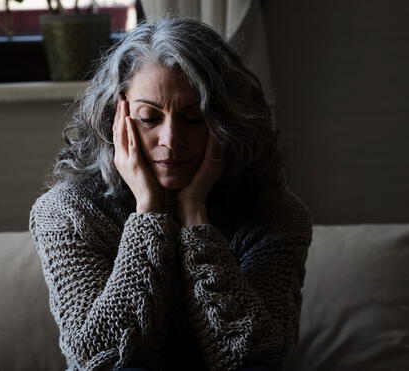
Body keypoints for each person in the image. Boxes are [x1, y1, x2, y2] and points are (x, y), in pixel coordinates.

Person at [29, 17, 312, 371]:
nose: (171, 140)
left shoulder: (276, 215)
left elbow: (256, 353)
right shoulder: (66, 213)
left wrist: (195, 216)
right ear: (115, 120)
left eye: (194, 119)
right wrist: (148, 215)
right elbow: (98, 358)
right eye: (149, 118)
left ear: (227, 120)